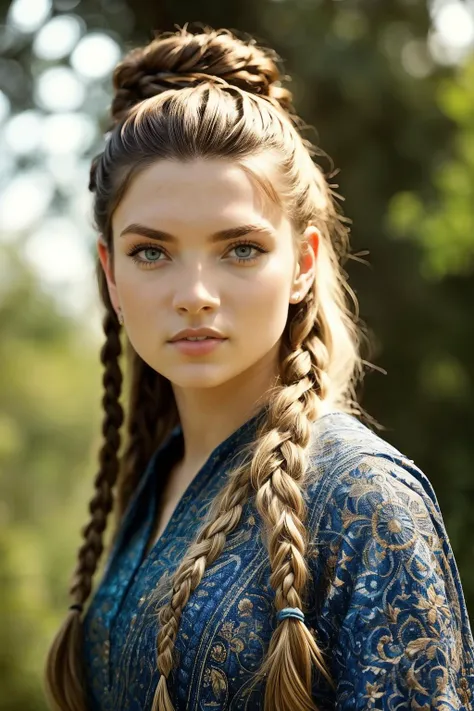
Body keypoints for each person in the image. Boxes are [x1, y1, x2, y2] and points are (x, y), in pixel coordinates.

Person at [44, 25, 474, 711]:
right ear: (111, 276)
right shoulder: (160, 478)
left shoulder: (365, 500)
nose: (195, 293)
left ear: (302, 264)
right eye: (152, 252)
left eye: (239, 248)